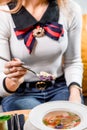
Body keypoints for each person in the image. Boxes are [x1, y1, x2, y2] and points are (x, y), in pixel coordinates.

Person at [0, 0, 83, 112]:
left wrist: (75, 94)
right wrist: (12, 82)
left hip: (60, 88)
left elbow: (73, 62)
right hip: (20, 93)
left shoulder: (70, 9)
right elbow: (1, 77)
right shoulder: (3, 14)